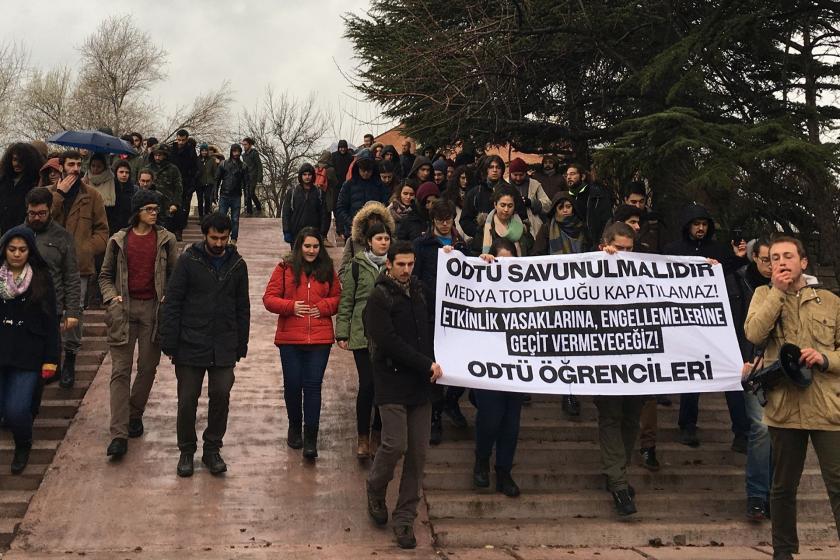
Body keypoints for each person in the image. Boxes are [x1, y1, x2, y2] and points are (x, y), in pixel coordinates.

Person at [744, 236, 840, 560]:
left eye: (788, 256)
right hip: (784, 408)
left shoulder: (830, 301)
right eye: (774, 258)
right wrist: (777, 293)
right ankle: (783, 553)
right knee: (783, 487)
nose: (781, 262)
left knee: (838, 485)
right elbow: (754, 333)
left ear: (804, 262)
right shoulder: (763, 295)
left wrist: (825, 358)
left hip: (827, 407)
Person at [364, 241, 442, 550]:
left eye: (410, 264)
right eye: (401, 265)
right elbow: (388, 342)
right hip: (392, 381)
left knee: (418, 454)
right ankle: (375, 487)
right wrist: (426, 364)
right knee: (395, 443)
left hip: (421, 385)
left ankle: (405, 518)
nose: (407, 270)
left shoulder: (420, 292)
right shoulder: (379, 298)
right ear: (389, 264)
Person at [160, 212, 250, 477]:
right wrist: (170, 340)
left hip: (223, 343)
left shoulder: (237, 264)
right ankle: (186, 450)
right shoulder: (189, 260)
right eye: (214, 237)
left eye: (224, 238)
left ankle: (212, 449)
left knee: (221, 395)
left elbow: (242, 307)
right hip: (190, 342)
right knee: (187, 399)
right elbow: (173, 301)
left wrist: (241, 343)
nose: (220, 243)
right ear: (205, 235)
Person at [99, 190, 177, 458]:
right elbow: (105, 276)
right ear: (138, 212)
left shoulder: (167, 240)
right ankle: (118, 434)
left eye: (157, 209)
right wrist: (112, 299)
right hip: (124, 309)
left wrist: (169, 297)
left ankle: (134, 412)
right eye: (149, 209)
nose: (155, 213)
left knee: (147, 368)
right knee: (120, 372)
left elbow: (175, 276)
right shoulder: (119, 240)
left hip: (153, 311)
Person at [664, 204, 749, 448]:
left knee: (732, 375)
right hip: (688, 325)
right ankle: (687, 425)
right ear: (687, 226)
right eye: (696, 224)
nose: (700, 228)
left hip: (716, 324)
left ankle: (741, 432)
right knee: (692, 375)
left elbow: (729, 270)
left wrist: (735, 258)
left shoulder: (719, 250)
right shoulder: (673, 251)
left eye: (704, 224)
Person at [263, 227, 340, 459]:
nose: (311, 250)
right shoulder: (284, 268)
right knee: (293, 385)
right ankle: (294, 426)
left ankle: (311, 438)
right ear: (299, 246)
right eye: (307, 246)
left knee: (313, 386)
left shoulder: (327, 269)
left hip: (320, 339)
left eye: (315, 246)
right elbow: (269, 298)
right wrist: (290, 306)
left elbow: (338, 297)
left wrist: (324, 307)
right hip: (290, 339)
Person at [0, 226, 60, 474]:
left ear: (29, 251)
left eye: (22, 249)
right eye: (12, 249)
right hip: (2, 352)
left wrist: (51, 360)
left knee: (16, 409)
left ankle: (23, 444)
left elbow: (50, 323)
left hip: (29, 355)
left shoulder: (41, 279)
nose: (16, 254)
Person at [595, 222, 645, 516]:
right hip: (603, 360)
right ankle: (618, 482)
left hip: (637, 360)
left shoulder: (642, 270)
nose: (625, 254)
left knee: (631, 419)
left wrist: (703, 269)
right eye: (620, 248)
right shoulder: (589, 268)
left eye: (630, 249)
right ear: (606, 244)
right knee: (611, 417)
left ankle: (618, 471)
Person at [49, 151, 109, 389]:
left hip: (79, 265)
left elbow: (103, 230)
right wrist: (59, 195)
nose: (75, 168)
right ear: (61, 167)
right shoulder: (48, 194)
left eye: (78, 164)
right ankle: (52, 358)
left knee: (75, 313)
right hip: (51, 264)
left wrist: (86, 248)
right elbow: (38, 222)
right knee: (51, 310)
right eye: (70, 164)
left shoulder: (92, 195)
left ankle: (70, 360)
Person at [412, 199, 470, 445]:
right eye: (440, 221)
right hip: (431, 314)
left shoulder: (463, 245)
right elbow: (415, 278)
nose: (445, 225)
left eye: (448, 220)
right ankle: (435, 416)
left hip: (457, 317)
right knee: (435, 367)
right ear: (432, 221)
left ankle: (451, 401)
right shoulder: (422, 245)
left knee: (463, 364)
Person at [472, 237, 524, 497]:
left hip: (515, 365)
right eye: (500, 261)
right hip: (487, 363)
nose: (506, 267)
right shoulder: (481, 279)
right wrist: (477, 266)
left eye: (511, 262)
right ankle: (481, 460)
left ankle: (504, 470)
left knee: (511, 423)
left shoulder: (527, 285)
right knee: (490, 418)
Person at [336, 221, 391, 458]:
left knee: (383, 385)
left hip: (388, 334)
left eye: (387, 239)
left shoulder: (395, 264)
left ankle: (378, 432)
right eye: (379, 239)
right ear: (369, 241)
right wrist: (342, 332)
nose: (384, 243)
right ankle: (363, 437)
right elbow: (347, 299)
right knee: (367, 385)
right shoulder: (357, 266)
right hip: (361, 332)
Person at [731, 237, 773, 521]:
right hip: (754, 365)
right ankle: (758, 495)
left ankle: (775, 493)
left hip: (786, 367)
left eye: (780, 258)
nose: (773, 265)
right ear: (754, 258)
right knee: (761, 429)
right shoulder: (740, 282)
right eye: (767, 259)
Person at [24, 187, 81, 378]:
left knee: (48, 366)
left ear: (50, 210)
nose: (36, 218)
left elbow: (72, 276)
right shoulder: (18, 235)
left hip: (51, 309)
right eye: (32, 213)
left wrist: (72, 311)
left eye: (41, 213)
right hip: (22, 308)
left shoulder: (62, 237)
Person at [335, 156, 389, 239]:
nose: (366, 173)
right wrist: (352, 222)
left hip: (375, 230)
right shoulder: (348, 185)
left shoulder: (379, 185)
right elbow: (341, 207)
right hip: (353, 230)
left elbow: (384, 206)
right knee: (356, 252)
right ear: (358, 169)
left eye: (369, 171)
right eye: (363, 170)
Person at [565, 163, 612, 250]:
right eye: (567, 175)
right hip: (572, 244)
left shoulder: (597, 195)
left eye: (572, 174)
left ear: (582, 177)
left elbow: (606, 220)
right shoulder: (564, 196)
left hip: (593, 244)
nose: (568, 177)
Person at [282, 163, 330, 247]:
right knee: (296, 258)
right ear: (301, 176)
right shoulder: (292, 192)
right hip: (296, 233)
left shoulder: (319, 193)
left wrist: (323, 232)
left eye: (309, 174)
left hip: (314, 233)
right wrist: (286, 231)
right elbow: (286, 213)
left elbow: (324, 214)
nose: (307, 177)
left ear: (313, 176)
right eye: (304, 174)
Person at [1, 143, 43, 236]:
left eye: (21, 160)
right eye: (15, 159)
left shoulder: (35, 182)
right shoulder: (4, 180)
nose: (17, 163)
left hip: (23, 232)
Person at [143, 144, 183, 237]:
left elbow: (178, 187)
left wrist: (175, 203)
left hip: (167, 204)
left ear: (165, 155)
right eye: (155, 155)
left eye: (160, 155)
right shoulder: (147, 168)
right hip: (151, 202)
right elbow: (142, 185)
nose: (157, 157)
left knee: (166, 231)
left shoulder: (173, 169)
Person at [214, 144, 250, 245]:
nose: (236, 154)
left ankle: (234, 239)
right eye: (234, 151)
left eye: (238, 151)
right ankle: (220, 236)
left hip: (236, 196)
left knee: (235, 219)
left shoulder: (243, 166)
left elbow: (247, 183)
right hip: (224, 195)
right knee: (221, 218)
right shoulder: (223, 164)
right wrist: (214, 193)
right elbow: (217, 180)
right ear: (231, 152)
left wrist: (247, 197)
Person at [481, 185, 528, 256]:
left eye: (510, 206)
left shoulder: (521, 228)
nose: (506, 210)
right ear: (495, 205)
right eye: (503, 205)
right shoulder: (483, 227)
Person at [508, 157, 550, 233]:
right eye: (515, 175)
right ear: (510, 173)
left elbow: (548, 204)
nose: (518, 178)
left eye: (521, 175)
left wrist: (532, 203)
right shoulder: (504, 185)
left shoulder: (535, 184)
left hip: (532, 227)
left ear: (526, 173)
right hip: (509, 226)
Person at [170, 129, 198, 236]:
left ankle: (179, 230)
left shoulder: (191, 151)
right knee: (172, 206)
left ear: (186, 139)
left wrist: (192, 185)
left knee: (183, 207)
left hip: (186, 183)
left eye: (183, 140)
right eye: (179, 140)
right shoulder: (172, 149)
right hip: (172, 183)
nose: (181, 142)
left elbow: (195, 169)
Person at [111, 160, 137, 235]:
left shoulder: (134, 189)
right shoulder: (110, 188)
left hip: (128, 227)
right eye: (121, 172)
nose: (124, 175)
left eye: (127, 172)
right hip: (112, 226)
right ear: (116, 173)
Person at [241, 137, 263, 216]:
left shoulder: (254, 153)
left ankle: (258, 207)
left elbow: (259, 165)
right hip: (246, 177)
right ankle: (249, 212)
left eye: (246, 145)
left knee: (251, 193)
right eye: (243, 145)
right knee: (247, 194)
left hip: (253, 176)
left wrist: (260, 177)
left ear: (250, 144)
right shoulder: (243, 155)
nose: (244, 146)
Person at [196, 144, 218, 218]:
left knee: (207, 199)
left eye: (205, 151)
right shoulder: (197, 159)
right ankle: (201, 216)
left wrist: (214, 181)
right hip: (199, 183)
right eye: (203, 151)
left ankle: (206, 215)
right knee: (200, 200)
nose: (204, 152)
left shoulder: (212, 160)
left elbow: (215, 171)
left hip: (209, 183)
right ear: (200, 151)